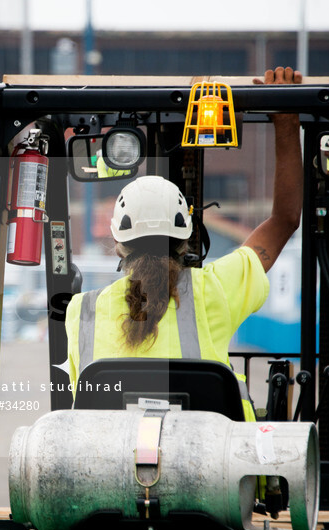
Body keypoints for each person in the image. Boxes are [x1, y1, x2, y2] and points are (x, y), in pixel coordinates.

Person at [65, 67, 304, 421]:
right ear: (186, 238)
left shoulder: (81, 312)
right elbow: (285, 219)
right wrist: (286, 121)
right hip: (216, 475)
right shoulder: (217, 291)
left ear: (117, 242)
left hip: (110, 475)